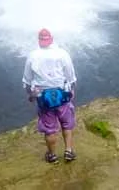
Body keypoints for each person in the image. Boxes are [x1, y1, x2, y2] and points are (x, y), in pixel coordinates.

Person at [22, 27, 78, 163]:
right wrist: (72, 89)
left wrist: (30, 94)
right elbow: (70, 76)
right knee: (66, 123)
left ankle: (52, 155)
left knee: (49, 128)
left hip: (43, 97)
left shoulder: (32, 56)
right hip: (62, 94)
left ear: (40, 41)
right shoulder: (62, 54)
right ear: (51, 39)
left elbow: (27, 80)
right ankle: (68, 151)